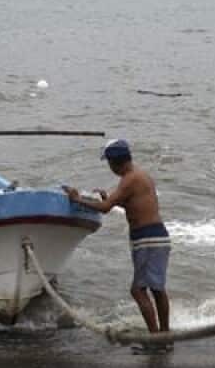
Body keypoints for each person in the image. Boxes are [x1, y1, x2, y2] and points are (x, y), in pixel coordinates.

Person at [64, 139, 171, 347]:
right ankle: (165, 336)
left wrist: (76, 199)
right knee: (157, 289)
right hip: (158, 235)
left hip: (146, 238)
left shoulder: (129, 179)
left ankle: (156, 339)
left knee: (138, 290)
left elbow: (105, 208)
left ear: (114, 163)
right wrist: (109, 198)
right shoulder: (142, 176)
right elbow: (135, 203)